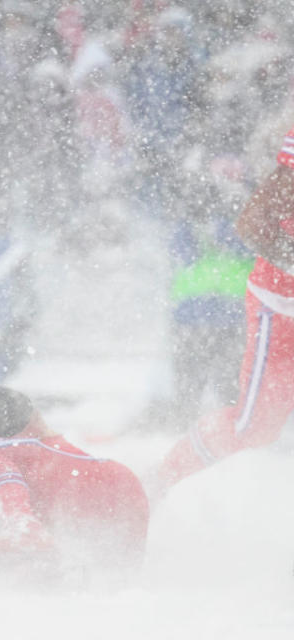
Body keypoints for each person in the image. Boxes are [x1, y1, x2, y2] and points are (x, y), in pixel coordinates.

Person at [150, 121, 294, 498]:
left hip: (232, 308)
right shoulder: (283, 179)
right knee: (253, 425)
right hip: (280, 309)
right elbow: (253, 225)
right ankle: (166, 479)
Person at [0, 387, 149, 577]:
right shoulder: (116, 475)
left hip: (46, 541)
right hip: (115, 510)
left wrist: (22, 524)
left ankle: (23, 527)